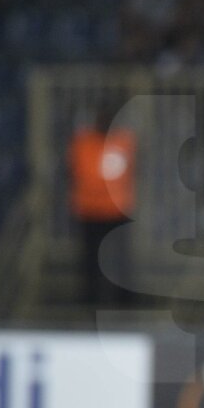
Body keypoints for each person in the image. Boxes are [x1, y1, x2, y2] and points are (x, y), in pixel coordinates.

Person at [67, 106, 136, 308]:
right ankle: (90, 299)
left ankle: (123, 301)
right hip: (90, 211)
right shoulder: (83, 143)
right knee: (91, 260)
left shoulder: (123, 141)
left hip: (116, 211)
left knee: (119, 259)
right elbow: (77, 173)